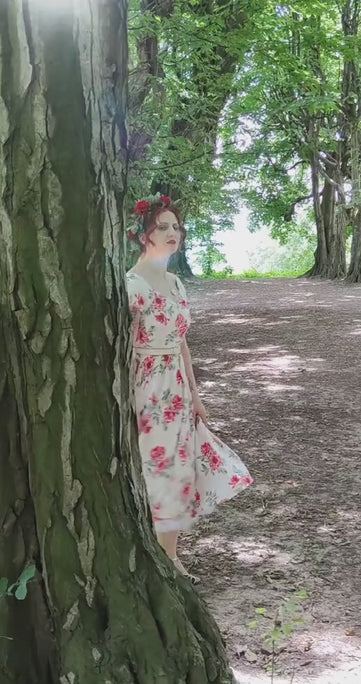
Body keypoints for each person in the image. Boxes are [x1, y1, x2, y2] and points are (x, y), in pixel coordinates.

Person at [126, 195, 253, 583]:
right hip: (147, 387)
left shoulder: (177, 283)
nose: (171, 233)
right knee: (156, 470)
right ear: (143, 234)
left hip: (177, 387)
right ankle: (155, 554)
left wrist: (195, 395)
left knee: (180, 468)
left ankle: (171, 554)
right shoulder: (130, 284)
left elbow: (181, 341)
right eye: (162, 226)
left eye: (175, 227)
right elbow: (126, 347)